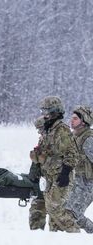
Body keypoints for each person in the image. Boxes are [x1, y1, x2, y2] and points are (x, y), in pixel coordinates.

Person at [38, 96, 79, 232]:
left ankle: (75, 233)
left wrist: (65, 173)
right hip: (49, 175)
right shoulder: (48, 129)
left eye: (47, 112)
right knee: (52, 213)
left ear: (56, 112)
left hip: (61, 174)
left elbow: (72, 154)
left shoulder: (62, 130)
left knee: (54, 207)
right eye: (43, 112)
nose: (44, 115)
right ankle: (56, 240)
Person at [65, 106, 93, 233]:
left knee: (73, 214)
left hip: (87, 184)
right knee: (65, 212)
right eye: (71, 118)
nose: (72, 121)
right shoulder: (73, 137)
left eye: (75, 119)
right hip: (75, 182)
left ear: (84, 121)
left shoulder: (88, 139)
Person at [28, 116, 46, 230]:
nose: (39, 132)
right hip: (42, 181)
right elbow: (37, 162)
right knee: (37, 209)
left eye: (41, 129)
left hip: (53, 181)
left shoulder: (56, 139)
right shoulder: (43, 140)